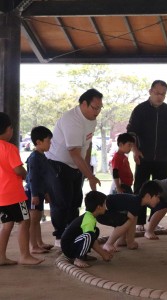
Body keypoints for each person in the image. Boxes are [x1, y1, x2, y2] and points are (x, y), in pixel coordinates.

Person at [127, 80, 167, 231]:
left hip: (162, 159)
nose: (160, 97)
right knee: (140, 190)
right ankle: (139, 221)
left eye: (163, 94)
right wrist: (135, 150)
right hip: (143, 157)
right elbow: (131, 132)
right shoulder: (140, 110)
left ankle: (154, 221)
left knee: (160, 191)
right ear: (150, 91)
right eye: (157, 93)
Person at [46, 88, 103, 247]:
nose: (97, 111)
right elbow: (74, 153)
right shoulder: (72, 120)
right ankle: (59, 237)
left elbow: (87, 145)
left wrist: (87, 170)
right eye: (94, 107)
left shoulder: (92, 119)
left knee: (76, 201)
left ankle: (72, 233)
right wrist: (90, 176)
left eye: (100, 108)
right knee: (61, 201)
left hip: (76, 165)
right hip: (58, 163)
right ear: (84, 104)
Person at [0, 112, 44, 266]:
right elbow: (18, 170)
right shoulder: (9, 148)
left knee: (7, 224)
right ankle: (25, 255)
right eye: (11, 127)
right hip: (14, 194)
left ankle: (1, 256)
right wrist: (27, 177)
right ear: (8, 129)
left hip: (2, 195)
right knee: (25, 221)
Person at [97, 181, 163, 252]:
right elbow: (131, 222)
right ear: (148, 196)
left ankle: (121, 240)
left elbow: (133, 221)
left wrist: (130, 241)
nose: (159, 200)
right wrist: (130, 242)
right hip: (101, 213)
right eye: (157, 197)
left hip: (107, 212)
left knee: (128, 218)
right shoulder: (135, 203)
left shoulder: (137, 202)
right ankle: (108, 244)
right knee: (127, 220)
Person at [61, 191, 113, 268]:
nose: (106, 207)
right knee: (90, 235)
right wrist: (103, 254)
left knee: (95, 231)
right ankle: (78, 258)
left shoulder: (90, 216)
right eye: (104, 204)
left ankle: (83, 254)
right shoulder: (89, 220)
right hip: (68, 248)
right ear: (99, 207)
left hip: (73, 243)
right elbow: (90, 238)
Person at [25, 126, 55, 254]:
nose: (50, 143)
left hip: (40, 192)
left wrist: (46, 193)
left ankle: (39, 242)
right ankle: (34, 246)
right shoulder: (34, 158)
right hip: (33, 192)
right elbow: (32, 178)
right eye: (48, 141)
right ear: (38, 142)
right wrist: (35, 194)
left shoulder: (42, 157)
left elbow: (45, 178)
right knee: (34, 219)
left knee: (37, 218)